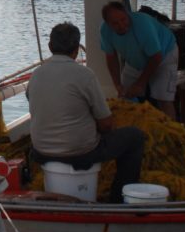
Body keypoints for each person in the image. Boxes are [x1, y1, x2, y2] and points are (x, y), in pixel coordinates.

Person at [27, 22, 144, 203]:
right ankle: (118, 201)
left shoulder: (35, 75)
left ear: (50, 47)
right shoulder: (85, 75)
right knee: (135, 138)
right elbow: (106, 124)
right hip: (80, 153)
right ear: (76, 50)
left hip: (40, 151)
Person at [100, 0, 179, 120]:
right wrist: (117, 85)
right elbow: (111, 58)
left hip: (164, 55)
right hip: (135, 61)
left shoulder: (143, 25)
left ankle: (173, 136)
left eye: (123, 19)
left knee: (163, 98)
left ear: (128, 14)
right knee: (125, 96)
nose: (121, 25)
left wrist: (140, 84)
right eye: (115, 23)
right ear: (108, 24)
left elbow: (156, 57)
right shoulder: (104, 31)